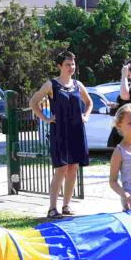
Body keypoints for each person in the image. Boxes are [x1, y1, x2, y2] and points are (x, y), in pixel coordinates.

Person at [29, 50, 92, 219]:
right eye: (67, 64)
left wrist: (86, 116)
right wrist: (45, 118)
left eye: (73, 64)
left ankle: (66, 205)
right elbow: (33, 102)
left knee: (73, 168)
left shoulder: (78, 85)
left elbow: (89, 102)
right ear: (59, 66)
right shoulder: (51, 85)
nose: (71, 67)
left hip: (77, 131)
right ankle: (52, 208)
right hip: (60, 131)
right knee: (61, 169)